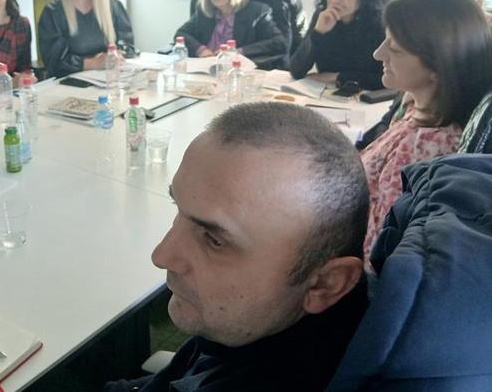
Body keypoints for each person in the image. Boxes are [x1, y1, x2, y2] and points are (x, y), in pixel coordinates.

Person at [107, 102, 369, 392]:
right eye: (178, 208)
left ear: (324, 284)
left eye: (214, 240)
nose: (162, 256)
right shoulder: (249, 328)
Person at [359, 0, 492, 253]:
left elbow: (380, 245)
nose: (378, 54)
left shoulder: (430, 148)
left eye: (394, 48)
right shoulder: (415, 111)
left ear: (438, 64)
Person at [289, 0, 390, 89]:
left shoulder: (382, 23)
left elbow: (389, 80)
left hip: (367, 97)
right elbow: (296, 70)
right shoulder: (323, 17)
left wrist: (339, 77)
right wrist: (318, 33)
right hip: (325, 93)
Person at [175, 0, 287, 66]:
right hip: (205, 68)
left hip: (237, 71)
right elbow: (181, 34)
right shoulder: (204, 12)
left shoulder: (256, 13)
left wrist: (239, 52)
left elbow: (280, 42)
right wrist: (201, 50)